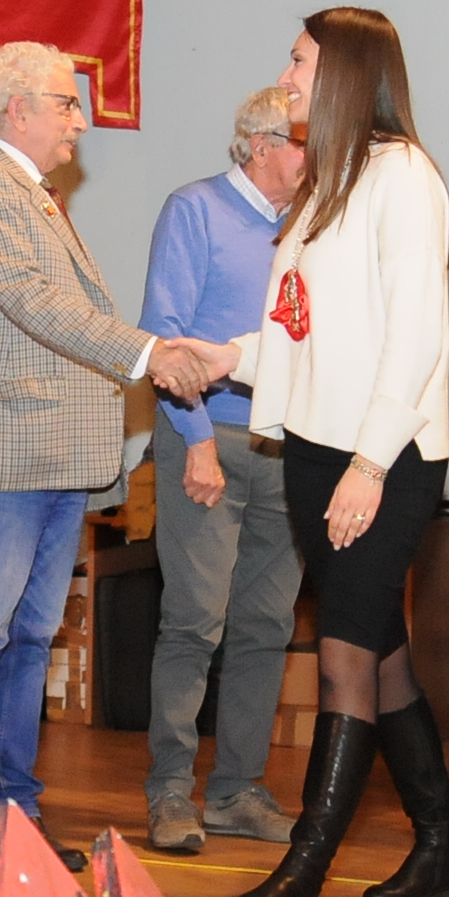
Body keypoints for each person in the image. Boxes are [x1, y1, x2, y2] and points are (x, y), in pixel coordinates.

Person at [0, 41, 218, 891]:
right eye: (67, 103)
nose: (81, 121)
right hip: (8, 452)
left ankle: (16, 816)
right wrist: (149, 352)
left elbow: (59, 311)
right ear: (17, 110)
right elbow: (32, 301)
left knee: (31, 639)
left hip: (54, 454)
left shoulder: (32, 195)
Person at [203, 8, 449, 897]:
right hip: (317, 450)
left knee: (345, 656)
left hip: (382, 458)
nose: (287, 74)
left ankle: (300, 879)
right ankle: (439, 847)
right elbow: (296, 328)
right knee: (379, 650)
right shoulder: (327, 180)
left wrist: (370, 463)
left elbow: (416, 336)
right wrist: (221, 356)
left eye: (300, 60)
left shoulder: (404, 177)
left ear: (348, 71)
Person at [132, 87, 307, 855]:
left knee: (267, 625)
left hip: (285, 449)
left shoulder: (308, 227)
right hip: (205, 440)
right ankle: (171, 792)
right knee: (194, 622)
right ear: (262, 145)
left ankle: (237, 792)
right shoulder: (194, 210)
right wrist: (197, 440)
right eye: (305, 142)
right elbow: (164, 337)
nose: (318, 157)